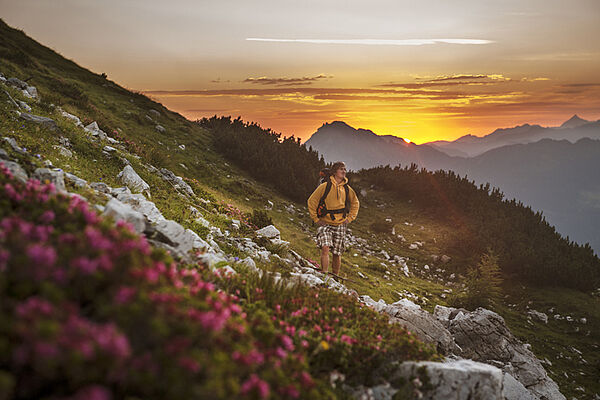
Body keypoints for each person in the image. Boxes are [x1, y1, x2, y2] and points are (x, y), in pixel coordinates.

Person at [307, 161, 360, 276]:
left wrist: (350, 218)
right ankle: (325, 274)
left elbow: (355, 203)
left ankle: (335, 276)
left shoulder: (347, 189)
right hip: (325, 223)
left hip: (341, 224)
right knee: (325, 247)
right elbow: (312, 201)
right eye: (341, 169)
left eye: (345, 169)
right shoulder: (325, 186)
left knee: (337, 253)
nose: (344, 171)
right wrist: (316, 219)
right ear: (335, 172)